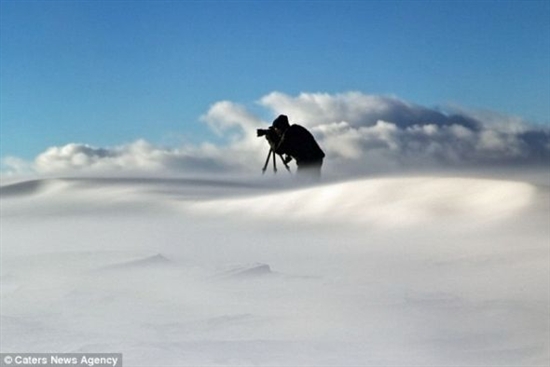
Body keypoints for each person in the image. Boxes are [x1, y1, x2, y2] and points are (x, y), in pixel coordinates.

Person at [271, 115, 325, 180]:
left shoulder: (288, 134)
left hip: (307, 161)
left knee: (300, 184)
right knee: (313, 182)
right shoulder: (296, 128)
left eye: (276, 129)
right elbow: (295, 146)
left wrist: (271, 138)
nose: (276, 131)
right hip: (317, 158)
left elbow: (279, 150)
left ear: (280, 127)